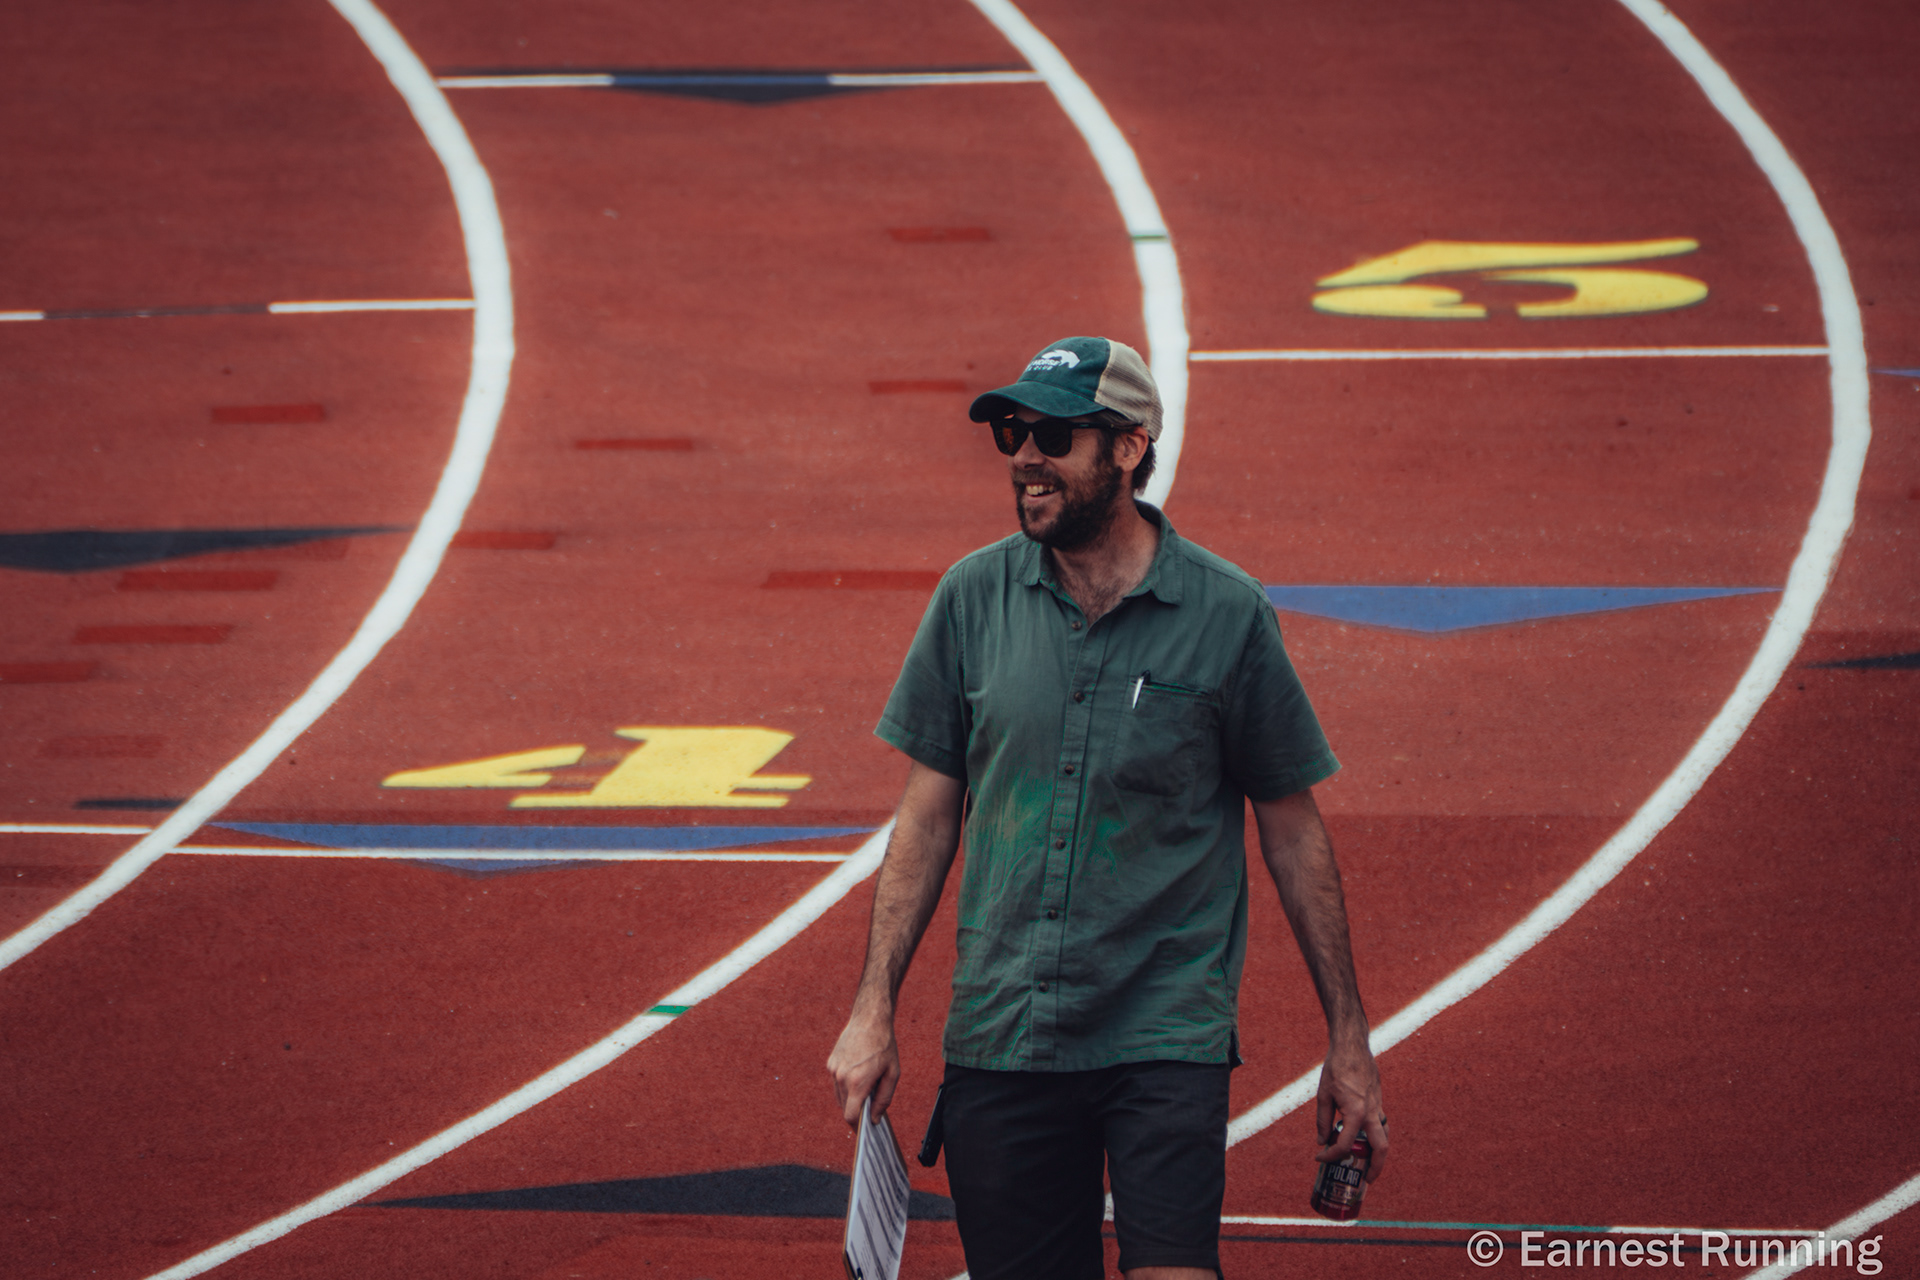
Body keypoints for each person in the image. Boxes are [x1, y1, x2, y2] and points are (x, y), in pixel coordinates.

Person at [827, 336, 1386, 1280]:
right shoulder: (971, 598)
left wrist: (1350, 1040)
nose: (1025, 457)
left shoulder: (1227, 614)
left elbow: (1292, 832)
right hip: (1005, 1030)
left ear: (1129, 448)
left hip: (1162, 1032)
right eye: (1013, 433)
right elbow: (927, 817)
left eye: (1054, 436)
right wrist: (872, 1009)